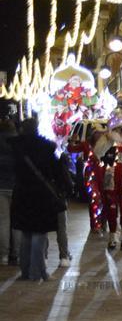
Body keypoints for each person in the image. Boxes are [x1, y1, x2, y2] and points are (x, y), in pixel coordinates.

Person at [10, 116, 68, 280]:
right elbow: (56, 171)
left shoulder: (16, 147)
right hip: (40, 195)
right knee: (39, 233)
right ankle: (38, 272)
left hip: (21, 193)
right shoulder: (45, 148)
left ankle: (26, 270)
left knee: (27, 233)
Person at [95, 124, 122, 251]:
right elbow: (97, 153)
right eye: (119, 130)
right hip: (110, 182)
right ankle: (112, 237)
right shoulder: (106, 144)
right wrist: (108, 139)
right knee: (111, 209)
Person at [0, 119, 14, 266]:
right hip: (16, 186)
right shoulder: (17, 143)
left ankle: (3, 255)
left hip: (1, 186)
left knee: (3, 221)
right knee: (16, 220)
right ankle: (15, 253)